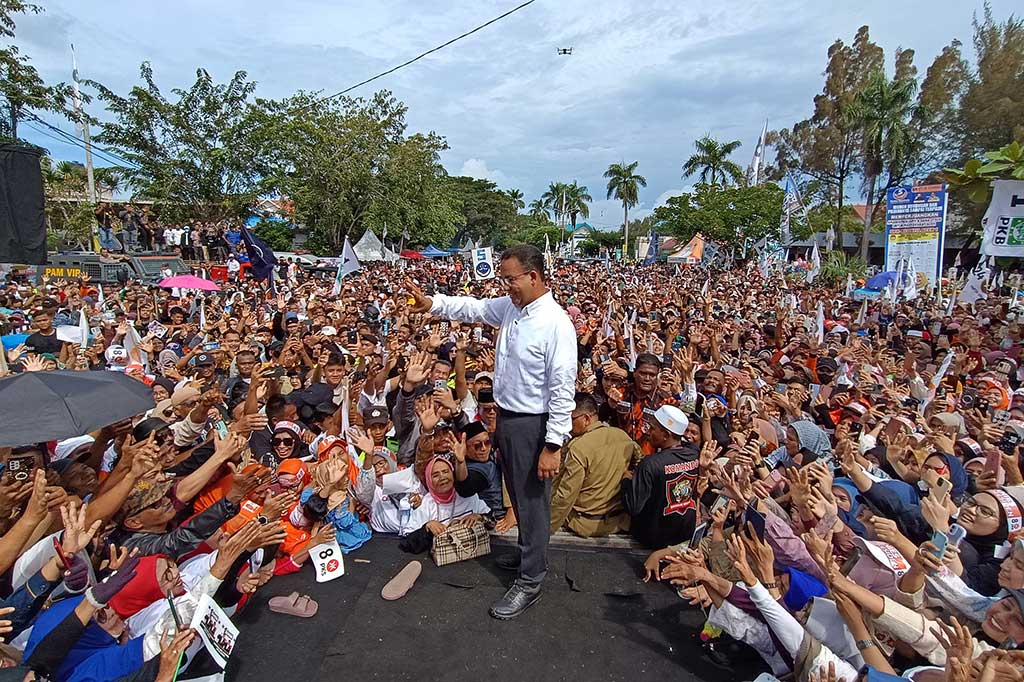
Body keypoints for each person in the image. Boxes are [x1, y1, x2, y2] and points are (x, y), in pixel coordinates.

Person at [407, 244, 577, 620]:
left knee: (532, 503)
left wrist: (553, 444)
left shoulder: (556, 323)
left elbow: (563, 388)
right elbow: (474, 308)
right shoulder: (511, 308)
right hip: (508, 419)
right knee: (518, 494)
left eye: (511, 279)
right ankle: (527, 556)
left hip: (535, 425)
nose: (506, 287)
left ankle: (531, 580)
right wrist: (432, 302)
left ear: (533, 276)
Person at [549, 392, 641, 537]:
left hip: (584, 523)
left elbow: (566, 495)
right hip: (618, 521)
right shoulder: (622, 436)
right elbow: (640, 462)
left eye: (570, 419)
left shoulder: (578, 448)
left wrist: (548, 527)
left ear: (586, 418)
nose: (567, 425)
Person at [621, 404, 701, 549]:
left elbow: (633, 506)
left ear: (665, 435)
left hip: (654, 540)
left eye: (653, 429)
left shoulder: (651, 464)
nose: (648, 432)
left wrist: (626, 481)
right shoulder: (694, 454)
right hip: (684, 534)